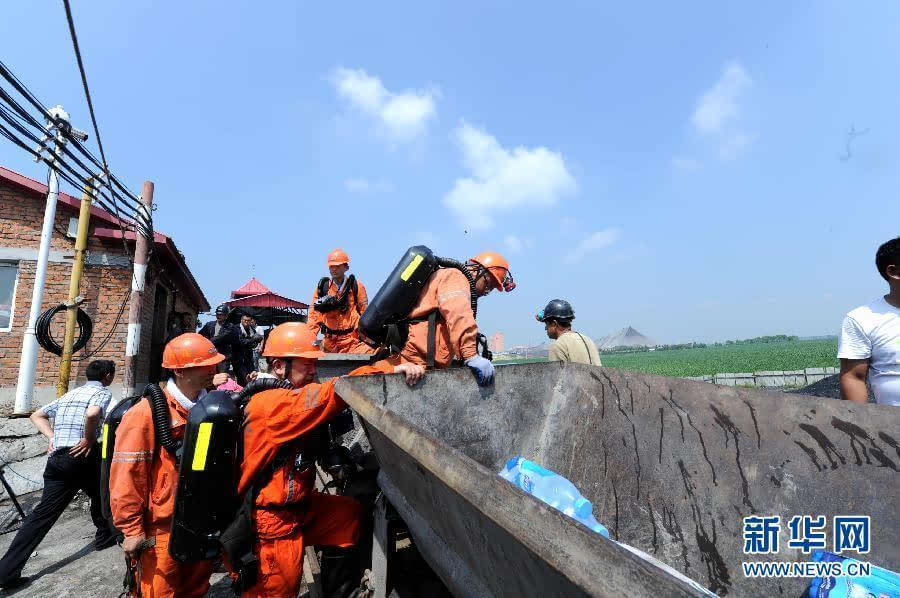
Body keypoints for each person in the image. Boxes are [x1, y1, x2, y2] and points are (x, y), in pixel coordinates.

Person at [233, 322, 423, 597]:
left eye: (314, 363)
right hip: (272, 524)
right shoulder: (272, 403)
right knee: (277, 589)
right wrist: (389, 368)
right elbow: (333, 392)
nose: (313, 370)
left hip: (298, 507)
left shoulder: (287, 396)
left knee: (347, 516)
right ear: (278, 366)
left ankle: (340, 593)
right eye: (306, 364)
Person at [109, 334, 229, 597]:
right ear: (179, 371)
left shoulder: (212, 409)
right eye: (205, 366)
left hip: (200, 520)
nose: (213, 371)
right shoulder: (146, 413)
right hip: (162, 529)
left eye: (214, 364)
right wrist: (131, 529)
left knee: (196, 588)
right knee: (161, 592)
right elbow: (128, 476)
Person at [0, 360, 118, 590]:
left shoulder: (72, 394)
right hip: (83, 455)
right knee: (103, 493)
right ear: (107, 376)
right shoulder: (101, 392)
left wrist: (52, 438)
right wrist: (89, 438)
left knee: (43, 515)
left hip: (57, 459)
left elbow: (37, 415)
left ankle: (6, 571)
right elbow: (93, 413)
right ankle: (105, 537)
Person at [379, 251, 514, 387]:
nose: (486, 292)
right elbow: (458, 315)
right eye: (488, 284)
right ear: (478, 271)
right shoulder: (455, 277)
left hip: (423, 367)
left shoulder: (450, 277)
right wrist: (471, 355)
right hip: (412, 363)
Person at [838, 236, 900, 406]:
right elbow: (854, 377)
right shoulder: (862, 319)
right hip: (891, 426)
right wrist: (862, 428)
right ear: (893, 272)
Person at [307, 249, 373, 354]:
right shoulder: (323, 289)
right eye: (331, 266)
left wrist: (367, 337)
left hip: (352, 342)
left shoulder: (356, 287)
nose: (334, 269)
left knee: (372, 355)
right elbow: (314, 316)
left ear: (346, 267)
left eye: (337, 266)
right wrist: (308, 339)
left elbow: (365, 313)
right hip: (329, 343)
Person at [536, 299, 602, 366]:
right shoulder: (588, 340)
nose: (545, 328)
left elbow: (556, 375)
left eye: (546, 324)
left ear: (554, 324)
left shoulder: (557, 346)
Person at [198, 304, 239, 373]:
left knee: (222, 377)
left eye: (221, 314)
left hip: (223, 357)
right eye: (217, 314)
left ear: (226, 315)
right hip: (210, 356)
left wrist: (207, 342)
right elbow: (200, 335)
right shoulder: (209, 325)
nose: (218, 316)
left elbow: (221, 337)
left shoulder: (230, 327)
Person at [234, 313, 263, 385]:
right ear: (241, 320)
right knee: (242, 377)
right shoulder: (236, 328)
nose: (246, 322)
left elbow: (255, 342)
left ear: (251, 321)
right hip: (238, 357)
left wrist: (257, 341)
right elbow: (239, 342)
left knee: (251, 375)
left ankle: (249, 393)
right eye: (245, 320)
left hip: (249, 356)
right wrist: (252, 340)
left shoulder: (252, 329)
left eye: (248, 320)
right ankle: (241, 394)